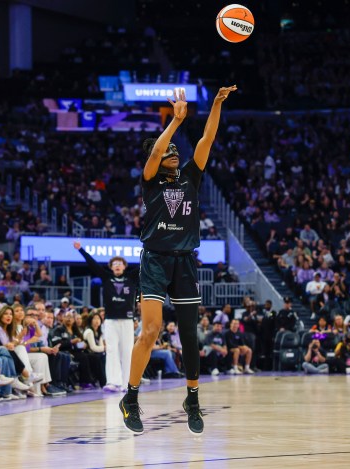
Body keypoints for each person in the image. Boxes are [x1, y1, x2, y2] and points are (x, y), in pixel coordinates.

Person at [120, 85, 237, 435]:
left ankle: (193, 399)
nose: (172, 152)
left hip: (185, 261)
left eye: (174, 150)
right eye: (167, 151)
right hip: (155, 259)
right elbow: (156, 150)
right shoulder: (150, 181)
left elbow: (207, 139)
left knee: (190, 335)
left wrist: (215, 104)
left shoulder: (190, 176)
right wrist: (174, 121)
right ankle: (131, 397)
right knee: (151, 329)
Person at [74, 241, 138, 393]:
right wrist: (81, 250)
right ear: (111, 267)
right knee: (111, 351)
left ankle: (127, 383)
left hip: (127, 321)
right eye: (114, 263)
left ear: (124, 266)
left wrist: (155, 246)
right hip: (110, 321)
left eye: (120, 263)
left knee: (127, 352)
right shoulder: (106, 277)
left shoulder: (132, 277)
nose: (117, 265)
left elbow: (145, 262)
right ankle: (112, 382)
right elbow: (92, 264)